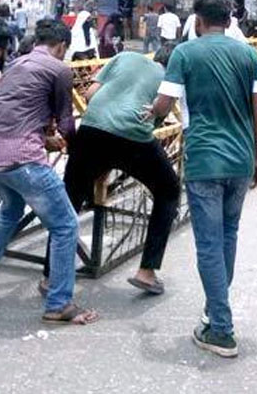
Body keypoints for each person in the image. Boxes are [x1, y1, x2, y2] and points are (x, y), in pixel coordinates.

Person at [145, 0, 257, 358]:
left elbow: (164, 104)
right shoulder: (249, 55)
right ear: (230, 21)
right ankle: (215, 311)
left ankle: (222, 327)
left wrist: (147, 114)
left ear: (197, 22)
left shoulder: (185, 53)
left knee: (209, 243)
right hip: (241, 160)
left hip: (204, 160)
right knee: (228, 235)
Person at [0, 20, 99, 326]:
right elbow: (66, 122)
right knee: (65, 225)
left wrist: (44, 136)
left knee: (10, 210)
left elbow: (18, 112)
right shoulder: (59, 69)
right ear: (62, 47)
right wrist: (76, 147)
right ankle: (59, 303)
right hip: (23, 159)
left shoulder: (14, 65)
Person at [60, 47, 180, 295]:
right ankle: (146, 271)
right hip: (133, 137)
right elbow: (155, 117)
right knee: (168, 191)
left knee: (69, 200)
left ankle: (52, 276)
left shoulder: (124, 56)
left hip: (92, 129)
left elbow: (91, 94)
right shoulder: (170, 80)